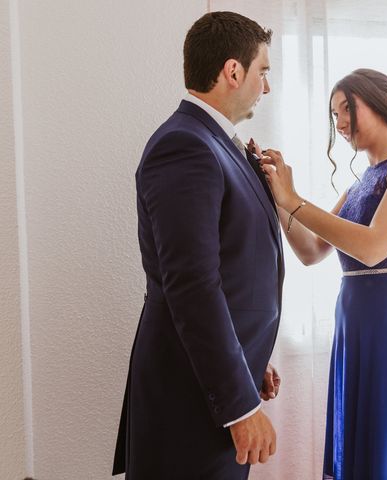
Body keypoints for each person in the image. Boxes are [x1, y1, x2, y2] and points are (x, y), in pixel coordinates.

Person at [260, 68, 387, 479]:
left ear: (379, 100)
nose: (341, 123)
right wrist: (278, 196)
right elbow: (311, 251)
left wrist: (294, 199)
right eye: (334, 115)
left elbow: (372, 248)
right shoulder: (359, 184)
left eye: (346, 108)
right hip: (355, 328)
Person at [112, 12, 284, 479]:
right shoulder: (185, 145)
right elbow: (192, 285)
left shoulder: (213, 142)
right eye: (263, 71)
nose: (266, 87)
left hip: (212, 382)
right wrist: (239, 406)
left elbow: (233, 270)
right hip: (190, 399)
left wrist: (249, 358)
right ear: (233, 71)